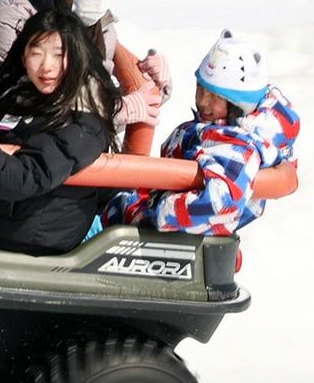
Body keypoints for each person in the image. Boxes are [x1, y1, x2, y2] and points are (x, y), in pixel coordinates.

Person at [0, 7, 120, 255]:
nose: (46, 67)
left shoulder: (84, 120)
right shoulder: (20, 91)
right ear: (23, 56)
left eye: (58, 54)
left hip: (28, 237)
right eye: (36, 53)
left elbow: (24, 179)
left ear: (77, 58)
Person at [103, 30, 299, 235]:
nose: (203, 101)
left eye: (215, 96)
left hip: (151, 233)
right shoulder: (218, 130)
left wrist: (151, 215)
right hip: (130, 208)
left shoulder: (236, 147)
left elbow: (221, 202)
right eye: (201, 89)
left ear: (238, 105)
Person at [0, 0, 168, 128]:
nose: (98, 4)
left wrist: (155, 85)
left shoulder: (101, 26)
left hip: (73, 142)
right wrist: (114, 110)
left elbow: (99, 95)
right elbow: (20, 95)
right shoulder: (15, 18)